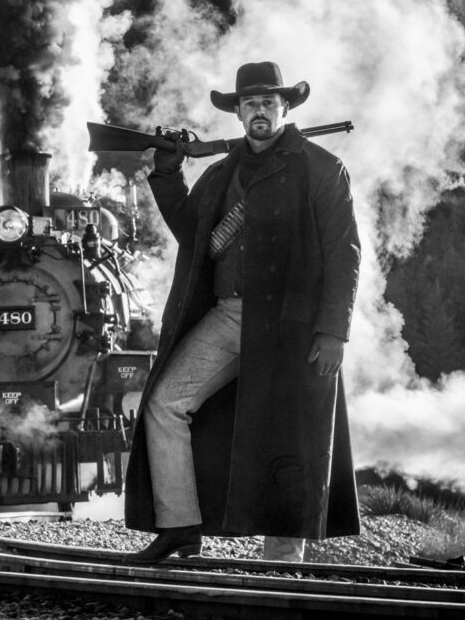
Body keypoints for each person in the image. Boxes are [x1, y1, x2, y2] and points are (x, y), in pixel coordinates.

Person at [123, 61, 361, 564]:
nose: (258, 111)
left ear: (285, 108)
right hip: (231, 315)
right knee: (166, 404)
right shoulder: (221, 171)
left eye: (268, 102)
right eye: (249, 103)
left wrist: (333, 331)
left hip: (294, 326)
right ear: (239, 113)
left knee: (290, 438)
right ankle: (180, 526)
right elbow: (194, 232)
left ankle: (282, 559)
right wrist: (166, 173)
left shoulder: (321, 168)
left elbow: (345, 253)